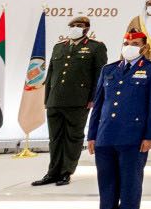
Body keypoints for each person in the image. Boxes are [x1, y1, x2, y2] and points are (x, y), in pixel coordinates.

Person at [84, 31, 151, 209]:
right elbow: (98, 104)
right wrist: (92, 135)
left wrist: (150, 135)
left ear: (143, 47)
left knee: (130, 181)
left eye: (135, 43)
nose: (129, 46)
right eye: (126, 42)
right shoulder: (109, 69)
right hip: (106, 135)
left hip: (133, 136)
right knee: (107, 181)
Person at [33, 15, 107, 187]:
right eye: (72, 25)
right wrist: (47, 98)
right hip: (55, 100)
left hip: (78, 100)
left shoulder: (95, 47)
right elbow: (50, 74)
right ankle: (52, 172)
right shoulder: (59, 47)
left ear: (87, 29)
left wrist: (92, 99)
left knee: (73, 137)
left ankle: (66, 172)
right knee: (55, 138)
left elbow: (99, 76)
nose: (75, 27)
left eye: (79, 25)